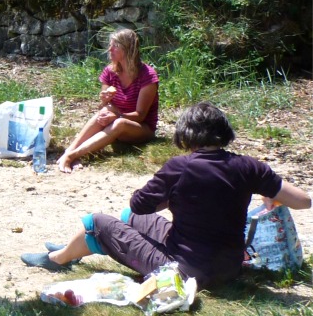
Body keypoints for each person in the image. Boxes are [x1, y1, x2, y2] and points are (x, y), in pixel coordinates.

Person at [22, 102, 310, 289]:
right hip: (228, 267)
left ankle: (58, 259)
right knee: (128, 219)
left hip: (185, 272)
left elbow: (140, 202)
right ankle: (73, 249)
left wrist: (170, 196)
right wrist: (269, 195)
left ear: (186, 134)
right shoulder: (248, 167)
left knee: (97, 221)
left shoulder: (180, 168)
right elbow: (303, 201)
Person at [57, 28, 158, 173]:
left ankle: (73, 155)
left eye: (115, 46)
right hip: (116, 122)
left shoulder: (147, 76)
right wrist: (105, 101)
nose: (109, 49)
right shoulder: (110, 71)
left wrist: (116, 116)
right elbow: (105, 106)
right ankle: (70, 151)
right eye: (110, 45)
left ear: (128, 49)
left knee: (120, 122)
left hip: (141, 128)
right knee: (105, 111)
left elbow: (140, 115)